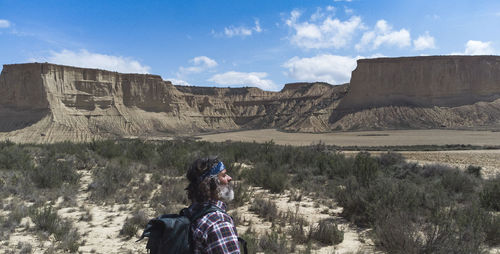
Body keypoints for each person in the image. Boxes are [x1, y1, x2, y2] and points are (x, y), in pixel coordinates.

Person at [186, 157, 241, 254]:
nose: (229, 178)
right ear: (211, 183)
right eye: (223, 175)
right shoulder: (219, 223)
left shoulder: (191, 211)